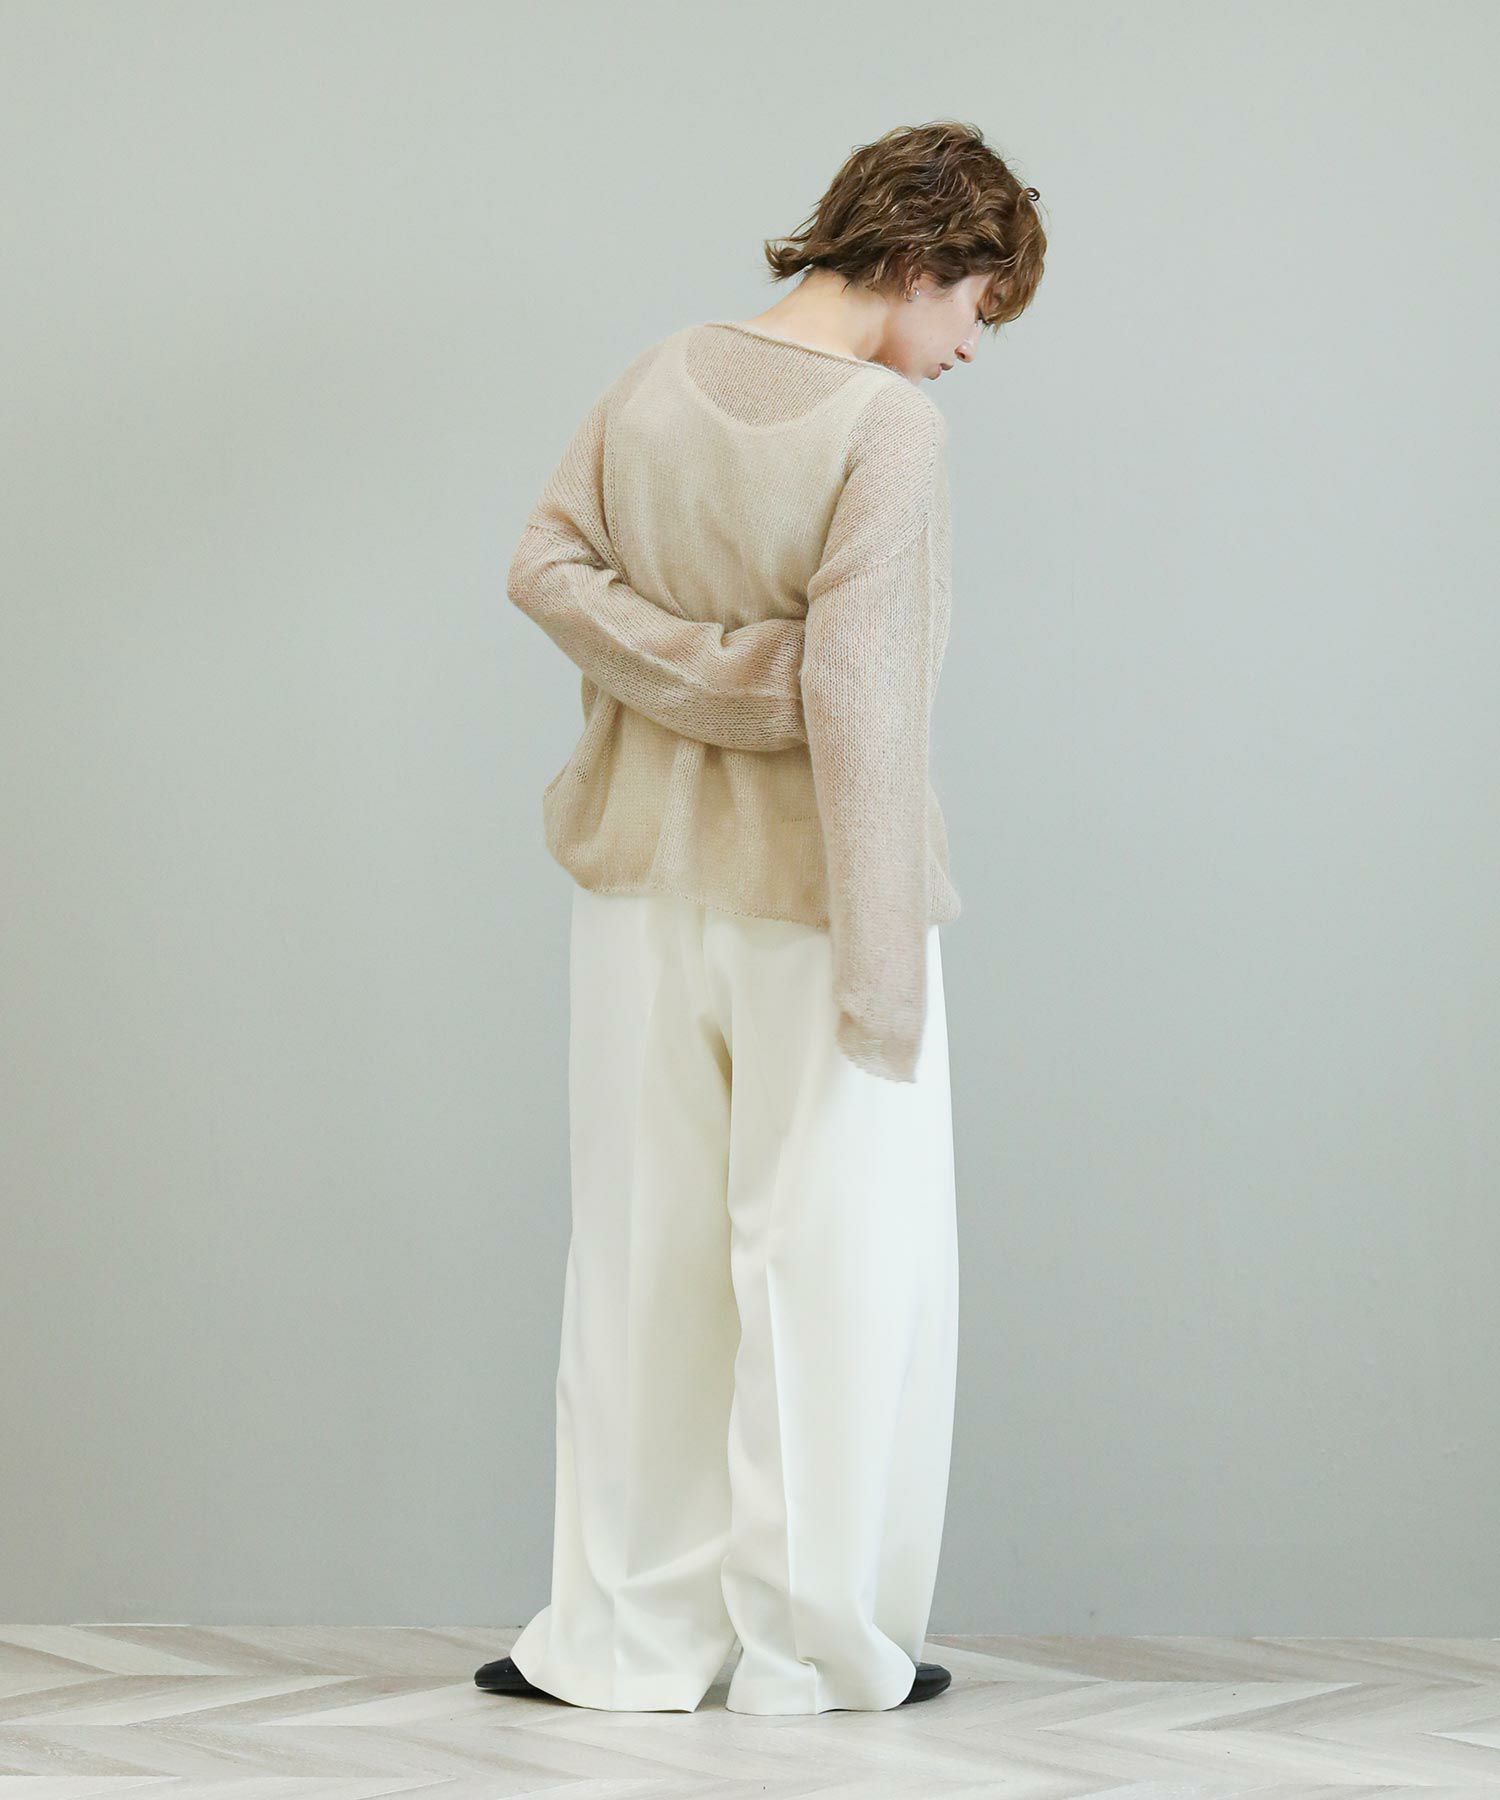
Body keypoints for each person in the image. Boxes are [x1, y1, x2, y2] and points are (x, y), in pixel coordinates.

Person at [477, 119, 1046, 1715]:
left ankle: (621, 1646)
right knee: (828, 1268)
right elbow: (855, 699)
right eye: (975, 309)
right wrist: (883, 967)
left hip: (636, 890)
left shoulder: (658, 375)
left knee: (641, 1266)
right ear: (923, 257)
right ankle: (810, 1651)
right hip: (819, 897)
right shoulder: (890, 432)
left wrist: (685, 673)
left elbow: (544, 565)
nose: (969, 349)